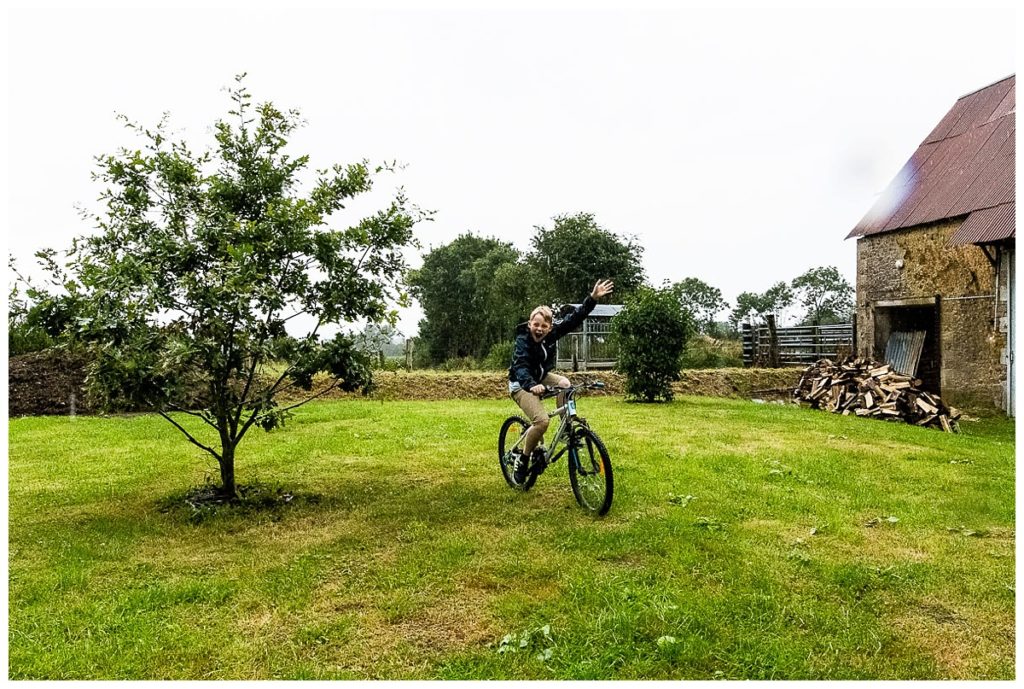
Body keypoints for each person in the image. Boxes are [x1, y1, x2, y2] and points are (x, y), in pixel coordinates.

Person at [507, 279, 615, 484]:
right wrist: (531, 385)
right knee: (541, 422)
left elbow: (574, 319)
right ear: (530, 324)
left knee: (565, 384)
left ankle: (566, 427)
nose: (539, 329)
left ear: (549, 328)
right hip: (521, 383)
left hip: (540, 377)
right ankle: (523, 458)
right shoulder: (523, 340)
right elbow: (520, 366)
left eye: (544, 326)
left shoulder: (552, 333)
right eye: (535, 325)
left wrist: (592, 299)